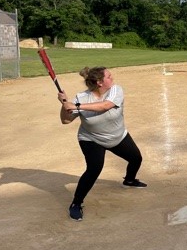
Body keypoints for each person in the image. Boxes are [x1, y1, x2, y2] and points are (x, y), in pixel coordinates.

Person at [58, 67, 146, 221]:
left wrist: (75, 106)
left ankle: (129, 180)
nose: (112, 78)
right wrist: (65, 103)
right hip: (91, 139)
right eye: (109, 76)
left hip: (117, 136)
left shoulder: (116, 90)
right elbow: (66, 120)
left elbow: (104, 106)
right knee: (94, 169)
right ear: (99, 82)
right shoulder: (82, 97)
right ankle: (76, 204)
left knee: (136, 158)